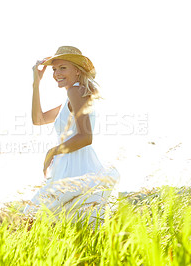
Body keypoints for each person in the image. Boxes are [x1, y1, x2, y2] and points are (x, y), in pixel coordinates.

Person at [24, 46, 120, 221]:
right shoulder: (72, 96)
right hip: (70, 167)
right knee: (59, 225)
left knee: (32, 217)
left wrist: (52, 151)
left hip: (76, 168)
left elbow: (86, 137)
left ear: (77, 70)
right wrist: (36, 83)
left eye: (62, 68)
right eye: (54, 69)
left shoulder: (75, 91)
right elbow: (38, 119)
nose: (56, 73)